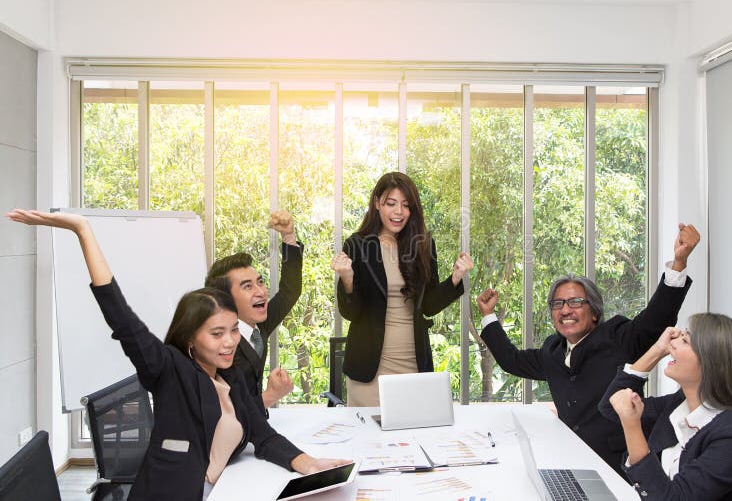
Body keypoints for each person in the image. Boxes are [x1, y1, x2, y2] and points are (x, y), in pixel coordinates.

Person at [6, 209, 348, 500]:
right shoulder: (171, 370)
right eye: (217, 334)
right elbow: (121, 316)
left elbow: (263, 434)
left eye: (232, 330)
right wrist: (83, 230)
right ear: (190, 338)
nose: (230, 342)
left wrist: (310, 465)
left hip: (224, 487)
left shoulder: (230, 377)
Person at [475, 223, 700, 473]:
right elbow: (512, 361)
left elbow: (657, 319)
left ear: (594, 312)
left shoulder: (618, 337)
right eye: (558, 304)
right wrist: (488, 316)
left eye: (575, 302)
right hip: (570, 460)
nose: (565, 310)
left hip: (621, 466)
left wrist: (679, 262)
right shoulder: (552, 351)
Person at [600, 316, 732, 500]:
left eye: (685, 340)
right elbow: (612, 405)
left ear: (714, 363)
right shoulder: (679, 404)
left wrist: (631, 425)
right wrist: (656, 351)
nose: (672, 344)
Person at [331, 172, 473, 406]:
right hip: (370, 369)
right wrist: (347, 278)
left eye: (406, 206)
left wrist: (456, 277)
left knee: (412, 436)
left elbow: (429, 306)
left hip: (413, 363)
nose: (399, 212)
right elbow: (351, 313)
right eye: (391, 203)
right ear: (377, 203)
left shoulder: (423, 244)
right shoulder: (357, 244)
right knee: (370, 440)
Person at [205, 210, 300, 412]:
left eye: (260, 282)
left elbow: (289, 292)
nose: (261, 292)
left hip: (251, 432)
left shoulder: (256, 325)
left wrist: (289, 237)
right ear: (225, 299)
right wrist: (271, 396)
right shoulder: (217, 346)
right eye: (247, 287)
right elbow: (225, 412)